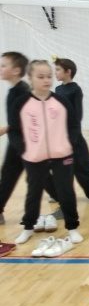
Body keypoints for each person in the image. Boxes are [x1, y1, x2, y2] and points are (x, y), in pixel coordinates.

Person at [8, 60, 83, 250]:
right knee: (34, 191)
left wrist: (70, 143)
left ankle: (72, 227)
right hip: (34, 156)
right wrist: (23, 149)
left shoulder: (61, 101)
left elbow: (74, 125)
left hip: (62, 154)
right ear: (30, 78)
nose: (46, 80)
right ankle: (28, 227)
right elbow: (14, 130)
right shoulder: (21, 103)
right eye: (41, 77)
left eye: (49, 76)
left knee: (66, 191)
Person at [54, 58, 89, 201]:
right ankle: (57, 192)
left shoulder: (75, 89)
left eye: (58, 70)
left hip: (73, 135)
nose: (55, 73)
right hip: (59, 135)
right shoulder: (57, 90)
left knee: (82, 167)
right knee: (60, 167)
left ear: (68, 72)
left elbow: (77, 115)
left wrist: (72, 136)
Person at [0, 51, 30, 227]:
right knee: (8, 175)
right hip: (16, 144)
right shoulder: (15, 90)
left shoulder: (22, 91)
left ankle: (65, 205)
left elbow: (24, 121)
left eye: (4, 65)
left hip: (25, 144)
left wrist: (6, 128)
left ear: (16, 70)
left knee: (40, 178)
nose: (0, 68)